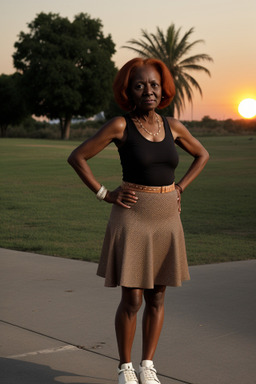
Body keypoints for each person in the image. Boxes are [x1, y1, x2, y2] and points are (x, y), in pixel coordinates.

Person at [68, 57, 209, 384]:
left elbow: (202, 155)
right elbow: (77, 157)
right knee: (132, 298)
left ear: (163, 90)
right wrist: (105, 193)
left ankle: (148, 365)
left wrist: (180, 188)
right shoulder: (121, 125)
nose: (148, 90)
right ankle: (125, 367)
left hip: (166, 218)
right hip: (132, 216)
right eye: (140, 85)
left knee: (158, 296)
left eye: (154, 85)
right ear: (128, 91)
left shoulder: (173, 127)